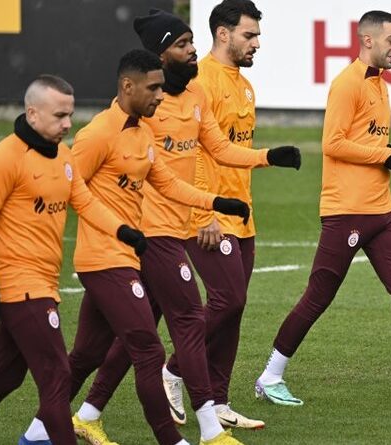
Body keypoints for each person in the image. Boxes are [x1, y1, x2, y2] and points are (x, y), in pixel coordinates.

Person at [71, 9, 301, 445]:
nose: (193, 50)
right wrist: (204, 214)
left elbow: (216, 148)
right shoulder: (137, 111)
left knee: (120, 340)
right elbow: (95, 180)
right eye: (182, 44)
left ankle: (82, 415)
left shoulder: (195, 94)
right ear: (158, 56)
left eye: (192, 41)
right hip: (150, 230)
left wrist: (267, 157)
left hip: (172, 226)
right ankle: (209, 427)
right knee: (192, 320)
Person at [19, 50, 254, 445]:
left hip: (126, 255)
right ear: (128, 86)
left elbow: (168, 184)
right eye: (154, 88)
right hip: (103, 259)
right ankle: (176, 439)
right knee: (148, 350)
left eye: (162, 87)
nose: (161, 96)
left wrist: (216, 202)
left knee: (87, 354)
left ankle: (37, 432)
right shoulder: (97, 134)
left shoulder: (142, 134)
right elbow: (65, 188)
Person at [254, 10, 391, 409]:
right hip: (346, 211)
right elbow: (333, 143)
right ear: (368, 40)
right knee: (318, 296)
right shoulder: (347, 84)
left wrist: (387, 155)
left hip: (382, 210)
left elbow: (365, 141)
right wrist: (387, 155)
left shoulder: (381, 85)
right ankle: (270, 377)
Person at [0, 75, 146, 445]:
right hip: (21, 286)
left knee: (2, 377)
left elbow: (85, 202)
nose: (68, 124)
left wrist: (122, 230)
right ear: (32, 113)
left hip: (45, 282)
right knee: (57, 377)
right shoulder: (5, 158)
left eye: (70, 115)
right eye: (59, 116)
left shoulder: (64, 156)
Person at [162, 0, 277, 430]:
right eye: (250, 35)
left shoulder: (245, 87)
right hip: (209, 215)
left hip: (241, 214)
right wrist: (204, 211)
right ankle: (173, 370)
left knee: (233, 310)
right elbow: (192, 152)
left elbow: (231, 150)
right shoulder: (201, 81)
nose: (257, 43)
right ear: (223, 34)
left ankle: (220, 401)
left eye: (257, 35)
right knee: (228, 300)